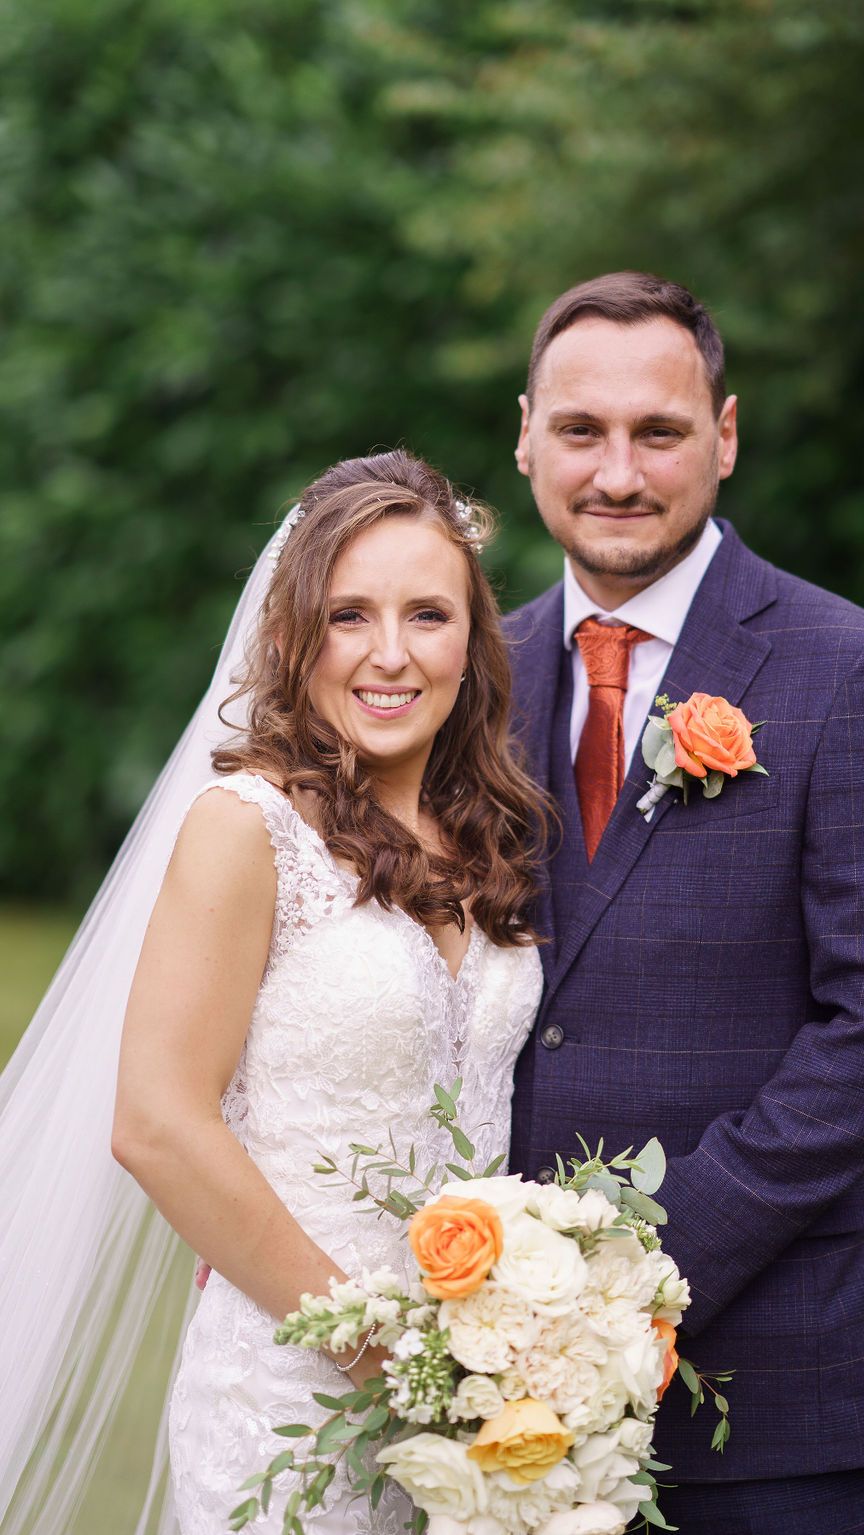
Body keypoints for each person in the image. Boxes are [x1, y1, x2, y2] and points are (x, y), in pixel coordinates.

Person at [0, 451, 545, 1535]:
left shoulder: (491, 836)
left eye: (427, 615)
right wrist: (375, 1349)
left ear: (470, 643)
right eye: (349, 615)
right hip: (291, 1395)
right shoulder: (246, 829)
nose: (390, 653)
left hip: (480, 1397)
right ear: (294, 636)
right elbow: (157, 1121)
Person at [505, 271, 864, 1535]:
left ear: (725, 434)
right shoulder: (467, 674)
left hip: (782, 1381)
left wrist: (645, 1257)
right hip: (499, 1380)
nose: (616, 470)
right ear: (526, 433)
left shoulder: (847, 667)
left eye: (658, 431)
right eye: (581, 430)